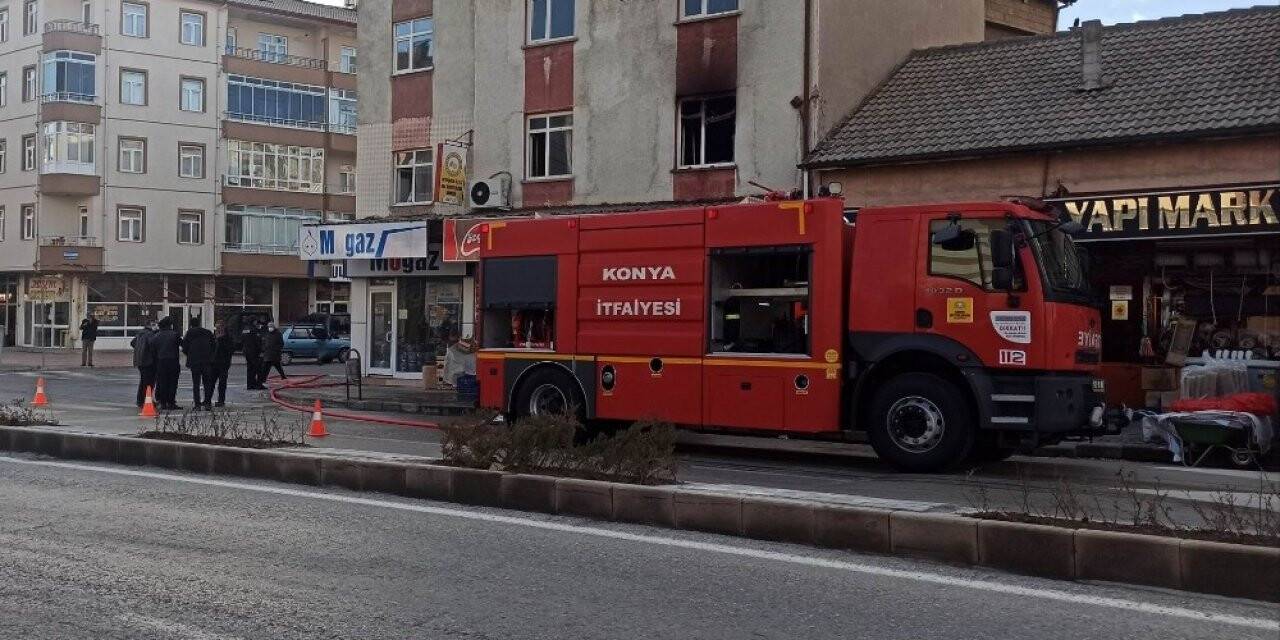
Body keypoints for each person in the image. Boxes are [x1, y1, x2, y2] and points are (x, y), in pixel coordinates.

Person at [182, 317, 216, 411]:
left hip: (195, 361)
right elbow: (214, 345)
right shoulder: (208, 332)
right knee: (207, 383)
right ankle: (208, 403)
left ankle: (197, 405)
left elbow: (184, 347)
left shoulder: (190, 333)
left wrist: (190, 354)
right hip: (207, 361)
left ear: (191, 324)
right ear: (200, 323)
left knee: (196, 384)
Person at [150, 317, 183, 411]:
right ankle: (171, 402)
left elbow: (152, 349)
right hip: (173, 361)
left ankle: (163, 402)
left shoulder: (156, 336)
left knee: (162, 382)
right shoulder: (175, 334)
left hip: (161, 362)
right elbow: (183, 344)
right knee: (173, 382)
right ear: (170, 325)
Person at [130, 321, 157, 407]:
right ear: (151, 326)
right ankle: (146, 400)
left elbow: (132, 343)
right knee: (149, 382)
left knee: (143, 381)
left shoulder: (140, 333)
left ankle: (140, 400)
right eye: (154, 324)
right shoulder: (150, 334)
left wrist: (139, 349)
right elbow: (153, 345)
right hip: (148, 361)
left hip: (139, 361)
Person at [210, 321, 235, 407]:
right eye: (216, 328)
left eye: (219, 328)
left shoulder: (227, 338)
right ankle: (208, 400)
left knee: (222, 383)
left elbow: (230, 349)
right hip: (214, 362)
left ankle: (221, 400)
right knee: (211, 382)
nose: (217, 329)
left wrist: (221, 340)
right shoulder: (214, 337)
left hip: (223, 363)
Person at [242, 323, 264, 390]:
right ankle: (258, 385)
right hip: (254, 352)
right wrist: (261, 350)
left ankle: (250, 385)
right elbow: (257, 342)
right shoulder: (254, 330)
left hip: (246, 352)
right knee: (258, 369)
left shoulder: (245, 329)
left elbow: (242, 339)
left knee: (250, 369)